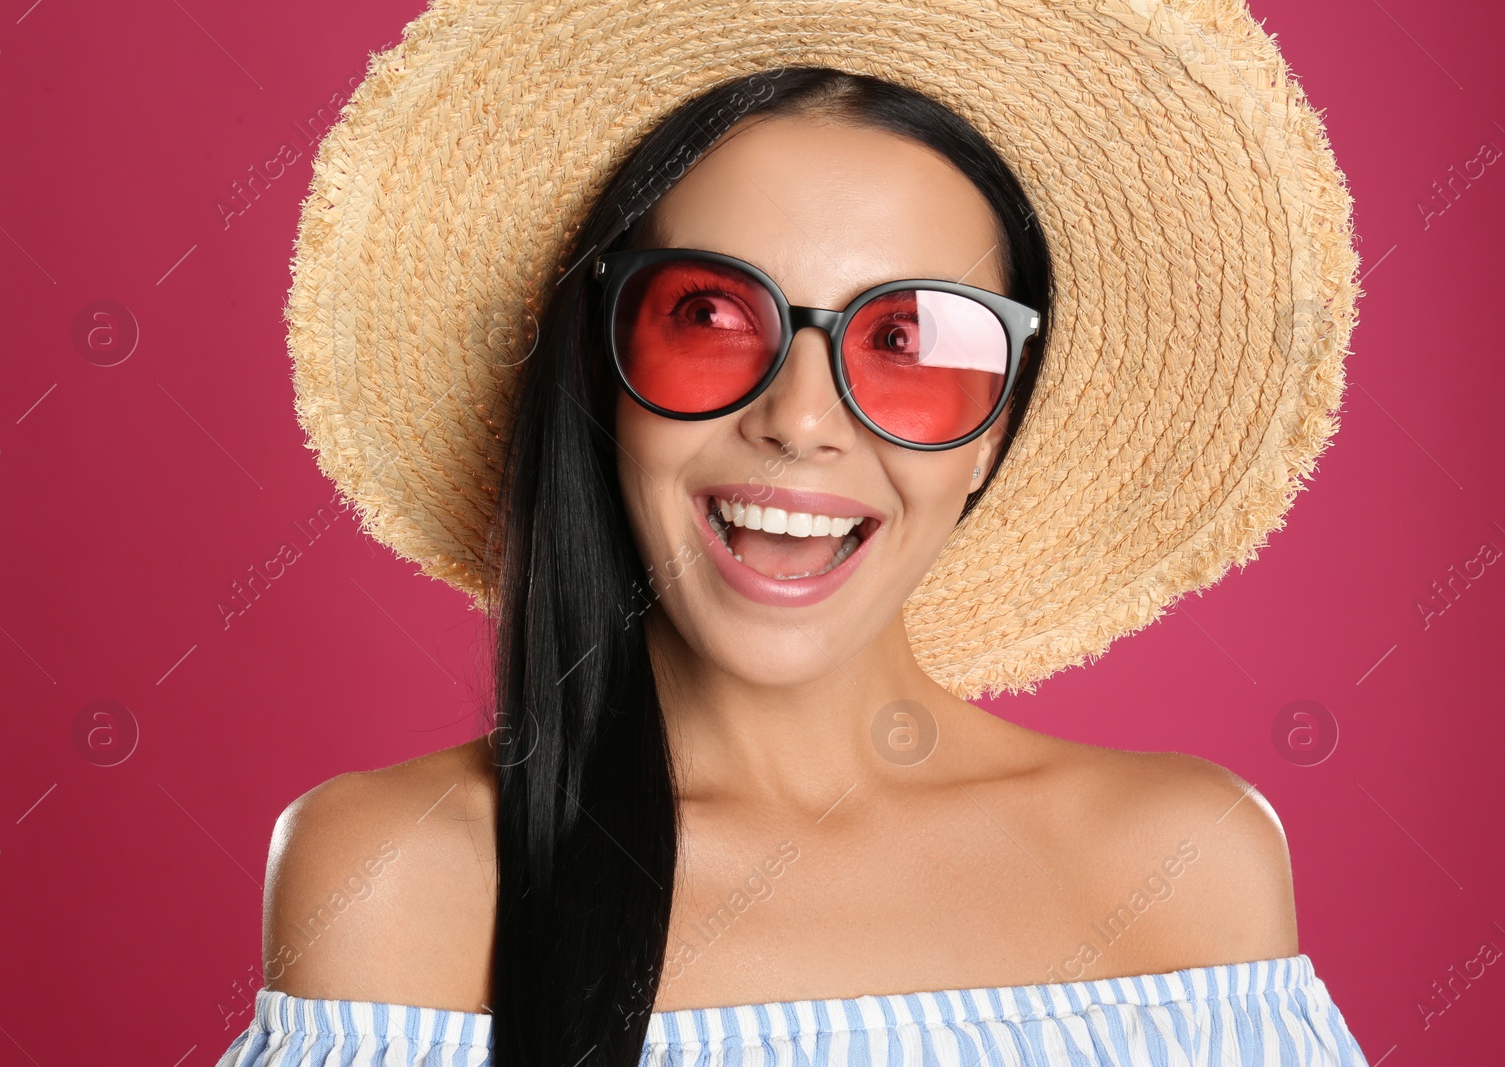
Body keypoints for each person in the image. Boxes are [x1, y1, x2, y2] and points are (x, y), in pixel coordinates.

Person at [217, 2, 1369, 1065]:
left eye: (910, 341)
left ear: (992, 430)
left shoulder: (1184, 865)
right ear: (598, 369)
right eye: (708, 316)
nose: (801, 421)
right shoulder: (397, 877)